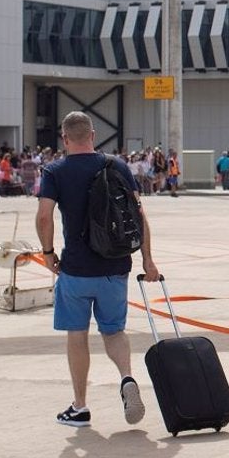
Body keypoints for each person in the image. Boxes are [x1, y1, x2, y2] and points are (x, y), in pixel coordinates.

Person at [37, 111, 160, 428]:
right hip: (114, 267)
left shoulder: (55, 171)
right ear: (92, 134)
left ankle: (80, 407)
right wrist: (148, 260)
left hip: (76, 270)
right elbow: (139, 214)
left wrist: (48, 253)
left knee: (77, 336)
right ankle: (127, 378)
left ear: (65, 138)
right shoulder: (116, 166)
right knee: (114, 331)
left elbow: (44, 217)